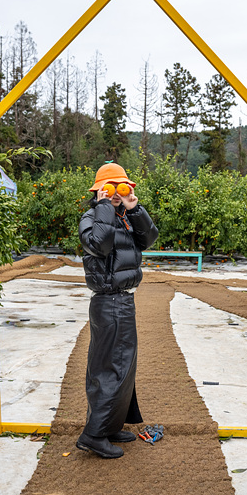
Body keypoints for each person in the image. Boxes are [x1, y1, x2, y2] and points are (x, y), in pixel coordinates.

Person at [76, 163, 159, 458]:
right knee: (111, 368)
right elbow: (99, 244)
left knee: (123, 366)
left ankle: (110, 426)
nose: (116, 193)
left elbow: (148, 239)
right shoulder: (91, 218)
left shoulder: (124, 216)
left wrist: (134, 208)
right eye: (109, 188)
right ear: (98, 191)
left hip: (122, 300)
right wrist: (103, 207)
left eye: (120, 187)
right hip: (109, 301)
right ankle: (94, 435)